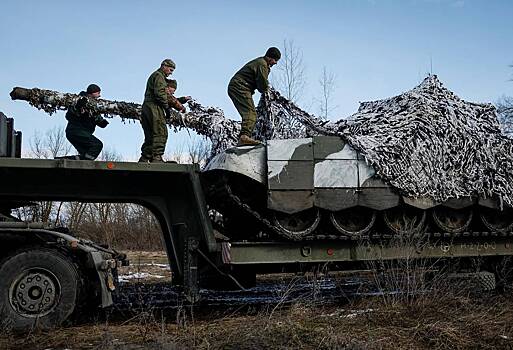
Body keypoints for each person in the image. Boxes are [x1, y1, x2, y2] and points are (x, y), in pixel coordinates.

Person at [228, 47, 281, 146]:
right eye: (275, 60)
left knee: (250, 113)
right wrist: (269, 92)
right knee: (250, 113)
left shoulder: (261, 63)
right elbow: (262, 86)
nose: (275, 63)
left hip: (238, 86)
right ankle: (244, 137)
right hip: (240, 86)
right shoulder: (262, 64)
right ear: (270, 58)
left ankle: (245, 136)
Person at [139, 59, 176, 163]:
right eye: (170, 69)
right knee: (160, 132)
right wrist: (166, 107)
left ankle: (145, 157)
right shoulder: (159, 76)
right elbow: (160, 94)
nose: (171, 72)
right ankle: (157, 158)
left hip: (146, 107)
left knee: (150, 134)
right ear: (164, 66)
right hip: (154, 107)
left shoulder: (154, 75)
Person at [64, 84, 108, 160]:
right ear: (92, 92)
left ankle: (72, 160)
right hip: (76, 131)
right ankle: (85, 161)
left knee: (86, 153)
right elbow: (69, 116)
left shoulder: (94, 107)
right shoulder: (80, 101)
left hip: (77, 133)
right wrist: (78, 108)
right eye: (98, 93)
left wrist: (102, 122)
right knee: (97, 145)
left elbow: (98, 119)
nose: (99, 95)